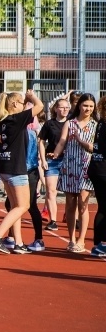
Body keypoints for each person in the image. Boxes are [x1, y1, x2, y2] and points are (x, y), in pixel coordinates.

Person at [0, 90, 44, 255]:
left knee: (14, 206)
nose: (24, 105)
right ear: (14, 104)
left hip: (4, 166)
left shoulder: (4, 120)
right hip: (16, 168)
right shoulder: (17, 118)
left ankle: (18, 243)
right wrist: (32, 96)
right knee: (23, 205)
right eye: (22, 102)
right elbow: (40, 106)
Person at [50, 93, 96, 253]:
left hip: (87, 168)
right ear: (79, 106)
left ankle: (82, 240)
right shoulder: (70, 123)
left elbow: (94, 148)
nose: (88, 109)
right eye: (85, 105)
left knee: (83, 204)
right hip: (70, 166)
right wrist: (55, 153)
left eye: (91, 106)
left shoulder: (96, 125)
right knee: (70, 205)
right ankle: (71, 239)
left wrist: (80, 140)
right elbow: (62, 141)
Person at [38, 98, 70, 232]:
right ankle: (53, 221)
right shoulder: (49, 124)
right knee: (51, 191)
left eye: (67, 107)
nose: (65, 110)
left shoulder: (72, 123)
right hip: (52, 161)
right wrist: (43, 160)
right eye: (62, 107)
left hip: (68, 160)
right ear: (56, 109)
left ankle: (72, 218)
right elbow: (41, 141)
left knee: (70, 193)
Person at [87, 95, 106, 256]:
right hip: (102, 168)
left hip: (96, 166)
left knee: (102, 207)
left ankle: (99, 244)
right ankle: (102, 243)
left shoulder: (101, 122)